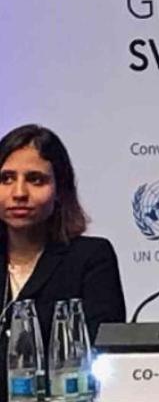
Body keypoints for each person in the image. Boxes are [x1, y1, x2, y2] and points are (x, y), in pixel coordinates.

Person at [0, 124, 126, 381]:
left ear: (60, 189)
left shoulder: (91, 258)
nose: (19, 193)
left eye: (35, 179)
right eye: (6, 179)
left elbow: (102, 353)